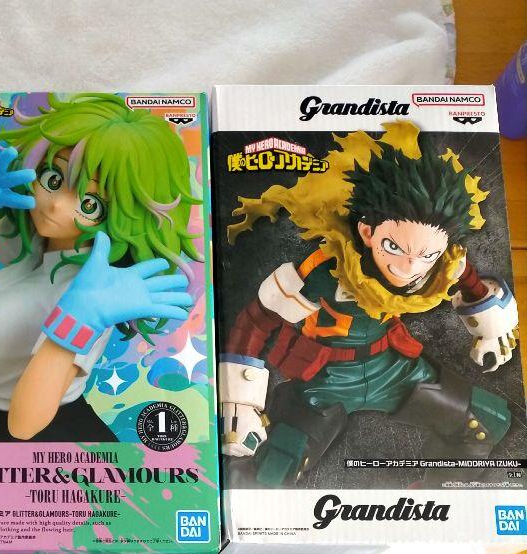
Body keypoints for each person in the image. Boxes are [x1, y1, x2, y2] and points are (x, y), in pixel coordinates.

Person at [219, 121, 519, 485]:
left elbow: (467, 280)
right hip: (326, 379)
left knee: (486, 422)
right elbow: (257, 319)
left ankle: (432, 500)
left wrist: (492, 327)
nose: (409, 268)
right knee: (273, 466)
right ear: (367, 231)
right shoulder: (323, 270)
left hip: (393, 369)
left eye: (427, 255)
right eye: (394, 247)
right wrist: (240, 402)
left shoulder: (442, 263)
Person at [0, 93, 198, 442]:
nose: (56, 207)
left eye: (90, 203)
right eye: (52, 179)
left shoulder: (92, 291)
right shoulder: (35, 245)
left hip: (60, 447)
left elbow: (24, 425)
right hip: (10, 440)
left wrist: (78, 321)